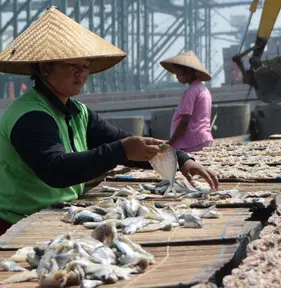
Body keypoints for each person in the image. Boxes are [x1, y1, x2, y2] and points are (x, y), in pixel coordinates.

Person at [0, 7, 218, 236]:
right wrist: (120, 152)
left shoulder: (77, 111)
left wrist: (182, 160)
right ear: (45, 68)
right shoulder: (31, 115)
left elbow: (125, 142)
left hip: (54, 214)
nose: (81, 74)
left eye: (85, 67)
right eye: (72, 66)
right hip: (19, 224)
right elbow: (55, 169)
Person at [160, 51, 214, 153]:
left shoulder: (190, 91)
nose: (176, 76)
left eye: (178, 72)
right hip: (203, 139)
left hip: (192, 143)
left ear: (186, 71)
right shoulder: (203, 89)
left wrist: (171, 142)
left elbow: (185, 120)